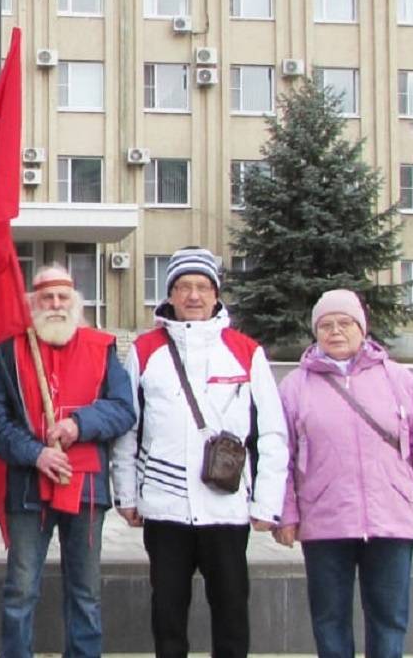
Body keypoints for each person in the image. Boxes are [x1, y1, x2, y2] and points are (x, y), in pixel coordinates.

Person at [115, 246, 289, 658]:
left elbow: (271, 432)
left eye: (202, 287)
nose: (193, 296)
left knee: (231, 611)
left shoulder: (246, 351)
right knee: (168, 615)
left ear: (216, 294)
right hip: (165, 508)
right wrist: (127, 495)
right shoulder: (144, 351)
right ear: (170, 295)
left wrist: (267, 503)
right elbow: (127, 429)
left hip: (225, 509)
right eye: (183, 287)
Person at [276, 290, 413, 658]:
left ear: (362, 327)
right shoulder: (294, 387)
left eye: (344, 323)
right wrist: (287, 513)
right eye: (326, 325)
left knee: (389, 618)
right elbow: (280, 455)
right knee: (329, 619)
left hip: (389, 519)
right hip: (325, 520)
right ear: (315, 332)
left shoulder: (399, 380)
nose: (335, 331)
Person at [0, 264, 135, 658]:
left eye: (62, 297)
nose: (55, 304)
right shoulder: (9, 352)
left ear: (75, 301)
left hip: (86, 489)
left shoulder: (102, 348)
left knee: (85, 590)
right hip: (29, 487)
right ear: (33, 302)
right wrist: (36, 453)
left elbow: (122, 409)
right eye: (46, 297)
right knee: (21, 588)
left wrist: (78, 425)